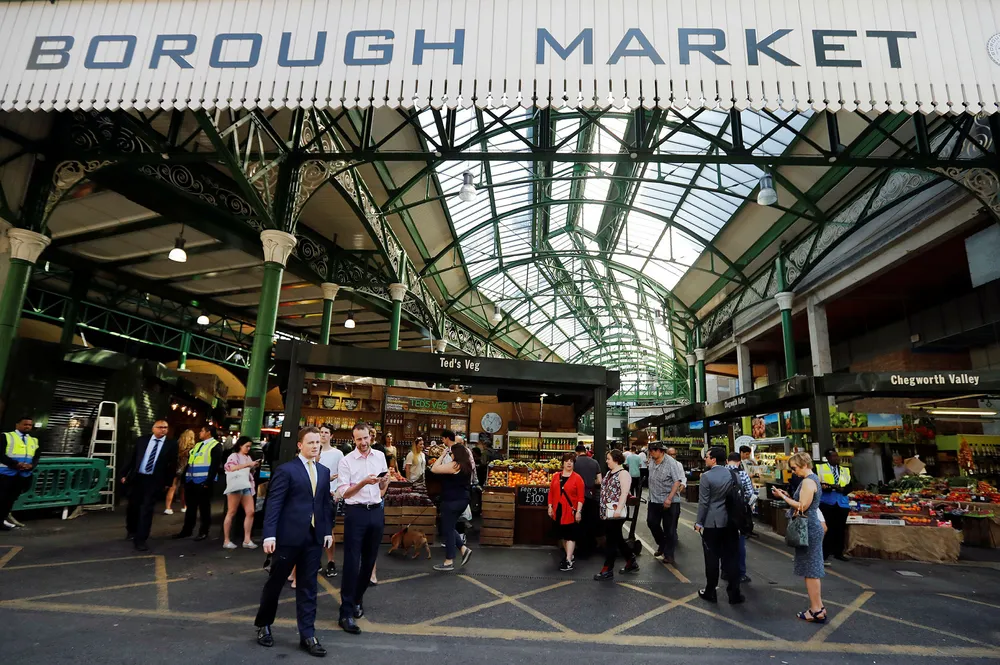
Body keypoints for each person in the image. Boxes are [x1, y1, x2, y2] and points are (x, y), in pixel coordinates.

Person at [254, 427, 333, 656]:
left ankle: (308, 635)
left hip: (313, 538)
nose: (315, 446)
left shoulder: (324, 471)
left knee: (308, 588)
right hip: (288, 537)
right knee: (275, 583)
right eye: (310, 442)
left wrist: (327, 531)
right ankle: (263, 625)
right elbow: (274, 503)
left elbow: (324, 504)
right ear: (300, 445)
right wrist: (269, 534)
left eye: (318, 442)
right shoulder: (286, 470)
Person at [337, 422, 390, 635]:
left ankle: (357, 599)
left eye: (365, 438)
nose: (363, 442)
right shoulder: (346, 461)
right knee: (351, 562)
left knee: (369, 562)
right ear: (353, 440)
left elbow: (382, 488)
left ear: (371, 437)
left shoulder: (380, 456)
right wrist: (363, 483)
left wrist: (384, 481)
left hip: (376, 511)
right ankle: (345, 613)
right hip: (355, 513)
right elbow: (344, 493)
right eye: (358, 439)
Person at [772, 452, 826, 623]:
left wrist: (783, 497)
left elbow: (802, 506)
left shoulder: (808, 482)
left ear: (804, 465)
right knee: (811, 569)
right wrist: (787, 496)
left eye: (794, 468)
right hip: (811, 526)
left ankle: (816, 610)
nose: (793, 472)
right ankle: (818, 607)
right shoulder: (812, 479)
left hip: (808, 528)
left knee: (811, 570)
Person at [694, 447, 743, 604]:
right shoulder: (734, 475)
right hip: (731, 522)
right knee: (732, 558)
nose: (705, 459)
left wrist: (699, 522)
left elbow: (704, 502)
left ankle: (710, 591)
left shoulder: (706, 477)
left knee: (712, 558)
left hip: (712, 523)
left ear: (714, 459)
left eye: (707, 456)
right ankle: (734, 594)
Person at [120, 419, 177, 551]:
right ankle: (132, 530)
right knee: (133, 506)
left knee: (147, 509)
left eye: (165, 427)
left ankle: (141, 539)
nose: (163, 430)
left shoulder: (171, 444)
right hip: (138, 478)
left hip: (154, 480)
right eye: (160, 427)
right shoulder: (142, 440)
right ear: (153, 428)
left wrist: (168, 482)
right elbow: (132, 458)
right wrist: (123, 474)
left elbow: (172, 464)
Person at [430, 438, 474, 572]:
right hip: (462, 500)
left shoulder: (455, 465)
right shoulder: (466, 466)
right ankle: (463, 549)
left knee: (447, 530)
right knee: (449, 526)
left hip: (452, 501)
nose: (451, 455)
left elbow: (434, 469)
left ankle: (449, 561)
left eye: (451, 453)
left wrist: (442, 455)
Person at [593, 449, 638, 581]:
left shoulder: (623, 474)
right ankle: (631, 560)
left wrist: (618, 509)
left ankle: (607, 569)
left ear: (616, 460)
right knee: (617, 538)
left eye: (608, 459)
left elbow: (624, 492)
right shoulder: (609, 473)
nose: (606, 461)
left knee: (611, 541)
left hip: (616, 513)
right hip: (607, 512)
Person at [174, 425, 222, 541]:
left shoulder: (215, 445)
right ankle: (187, 530)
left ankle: (203, 531)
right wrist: (185, 478)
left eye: (202, 431)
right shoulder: (198, 445)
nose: (199, 433)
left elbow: (214, 466)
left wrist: (208, 482)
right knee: (190, 507)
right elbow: (191, 462)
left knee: (204, 508)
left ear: (208, 432)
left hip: (203, 482)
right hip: (191, 480)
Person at [0, 417, 40, 532]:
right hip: (6, 474)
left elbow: (36, 456)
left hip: (22, 475)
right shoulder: (6, 436)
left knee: (10, 500)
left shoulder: (34, 440)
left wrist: (31, 465)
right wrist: (15, 464)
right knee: (1, 499)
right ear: (17, 425)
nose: (27, 427)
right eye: (25, 424)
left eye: (30, 425)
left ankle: (2, 520)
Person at [646, 442, 683, 565]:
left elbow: (677, 481)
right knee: (651, 522)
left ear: (661, 451)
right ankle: (662, 544)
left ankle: (669, 555)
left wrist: (669, 498)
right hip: (654, 499)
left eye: (654, 450)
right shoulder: (652, 461)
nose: (651, 452)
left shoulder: (671, 463)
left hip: (669, 501)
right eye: (650, 450)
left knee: (669, 529)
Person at [547, 452, 584, 571]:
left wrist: (578, 511)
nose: (569, 463)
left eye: (571, 461)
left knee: (570, 535)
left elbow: (581, 497)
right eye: (567, 461)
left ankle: (568, 560)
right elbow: (551, 493)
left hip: (570, 511)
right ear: (562, 463)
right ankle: (569, 554)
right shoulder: (556, 476)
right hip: (558, 510)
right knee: (562, 535)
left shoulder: (577, 478)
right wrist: (550, 506)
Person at [222, 436, 259, 550]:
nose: (248, 448)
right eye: (246, 446)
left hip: (246, 485)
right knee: (231, 512)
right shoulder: (234, 456)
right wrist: (248, 465)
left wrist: (252, 466)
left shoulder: (248, 457)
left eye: (249, 447)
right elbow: (231, 468)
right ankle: (226, 540)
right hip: (237, 486)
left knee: (250, 511)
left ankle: (247, 539)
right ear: (240, 445)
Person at [318, 423, 344, 579]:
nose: (323, 435)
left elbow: (343, 474)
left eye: (326, 432)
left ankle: (331, 561)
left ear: (331, 435)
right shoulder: (314, 450)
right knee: (313, 529)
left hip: (330, 496)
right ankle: (316, 559)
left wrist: (338, 492)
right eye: (321, 432)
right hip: (313, 496)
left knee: (329, 530)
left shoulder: (337, 454)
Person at [816, 448, 852, 562]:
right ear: (828, 458)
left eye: (837, 456)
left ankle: (838, 552)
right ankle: (825, 553)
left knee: (840, 528)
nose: (837, 458)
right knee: (827, 528)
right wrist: (826, 487)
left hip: (842, 502)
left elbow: (851, 484)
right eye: (834, 456)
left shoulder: (845, 470)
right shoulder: (820, 468)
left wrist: (844, 489)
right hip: (827, 501)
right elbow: (816, 483)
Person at [725, 452, 756, 584]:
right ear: (739, 462)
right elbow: (750, 493)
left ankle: (725, 571)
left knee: (724, 543)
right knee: (739, 543)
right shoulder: (743, 474)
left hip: (723, 513)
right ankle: (741, 573)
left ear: (727, 461)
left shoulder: (722, 473)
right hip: (738, 514)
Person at [573, 444, 602, 555]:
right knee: (590, 521)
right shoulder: (594, 462)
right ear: (585, 451)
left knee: (578, 522)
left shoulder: (574, 462)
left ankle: (579, 546)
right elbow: (599, 481)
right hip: (591, 495)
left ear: (576, 452)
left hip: (577, 496)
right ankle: (590, 546)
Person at [164, 429, 195, 515]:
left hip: (176, 468)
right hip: (186, 469)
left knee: (172, 488)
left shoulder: (177, 445)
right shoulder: (192, 448)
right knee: (183, 489)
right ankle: (184, 506)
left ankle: (168, 508)